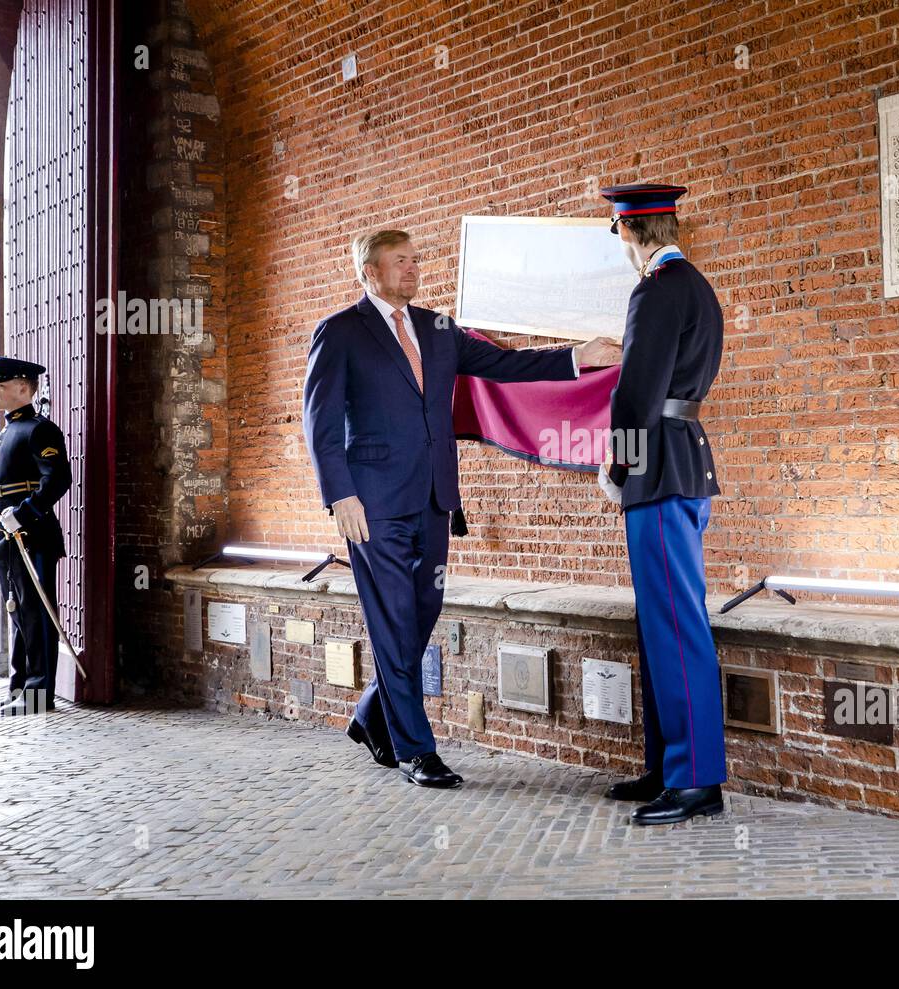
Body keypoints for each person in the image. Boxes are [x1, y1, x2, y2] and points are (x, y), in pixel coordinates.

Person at [304, 230, 621, 788]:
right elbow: (320, 421)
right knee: (394, 621)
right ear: (369, 272)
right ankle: (415, 750)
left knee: (422, 613)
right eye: (399, 262)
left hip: (433, 498)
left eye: (416, 261)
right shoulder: (341, 331)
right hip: (371, 505)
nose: (412, 269)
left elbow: (506, 366)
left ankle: (370, 715)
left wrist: (578, 357)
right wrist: (341, 494)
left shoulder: (439, 328)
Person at [596, 183, 727, 825]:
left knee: (675, 624)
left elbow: (635, 394)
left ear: (628, 232)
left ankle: (697, 779)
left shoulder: (654, 289)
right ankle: (670, 764)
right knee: (661, 624)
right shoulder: (696, 285)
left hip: (659, 468)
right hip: (682, 457)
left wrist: (620, 464)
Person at [0, 357, 72, 716]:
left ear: (24, 387)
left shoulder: (40, 429)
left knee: (37, 614)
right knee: (18, 614)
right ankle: (20, 687)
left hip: (31, 536)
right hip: (5, 539)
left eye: (0, 385)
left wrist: (22, 514)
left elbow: (57, 479)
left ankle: (39, 696)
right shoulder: (7, 431)